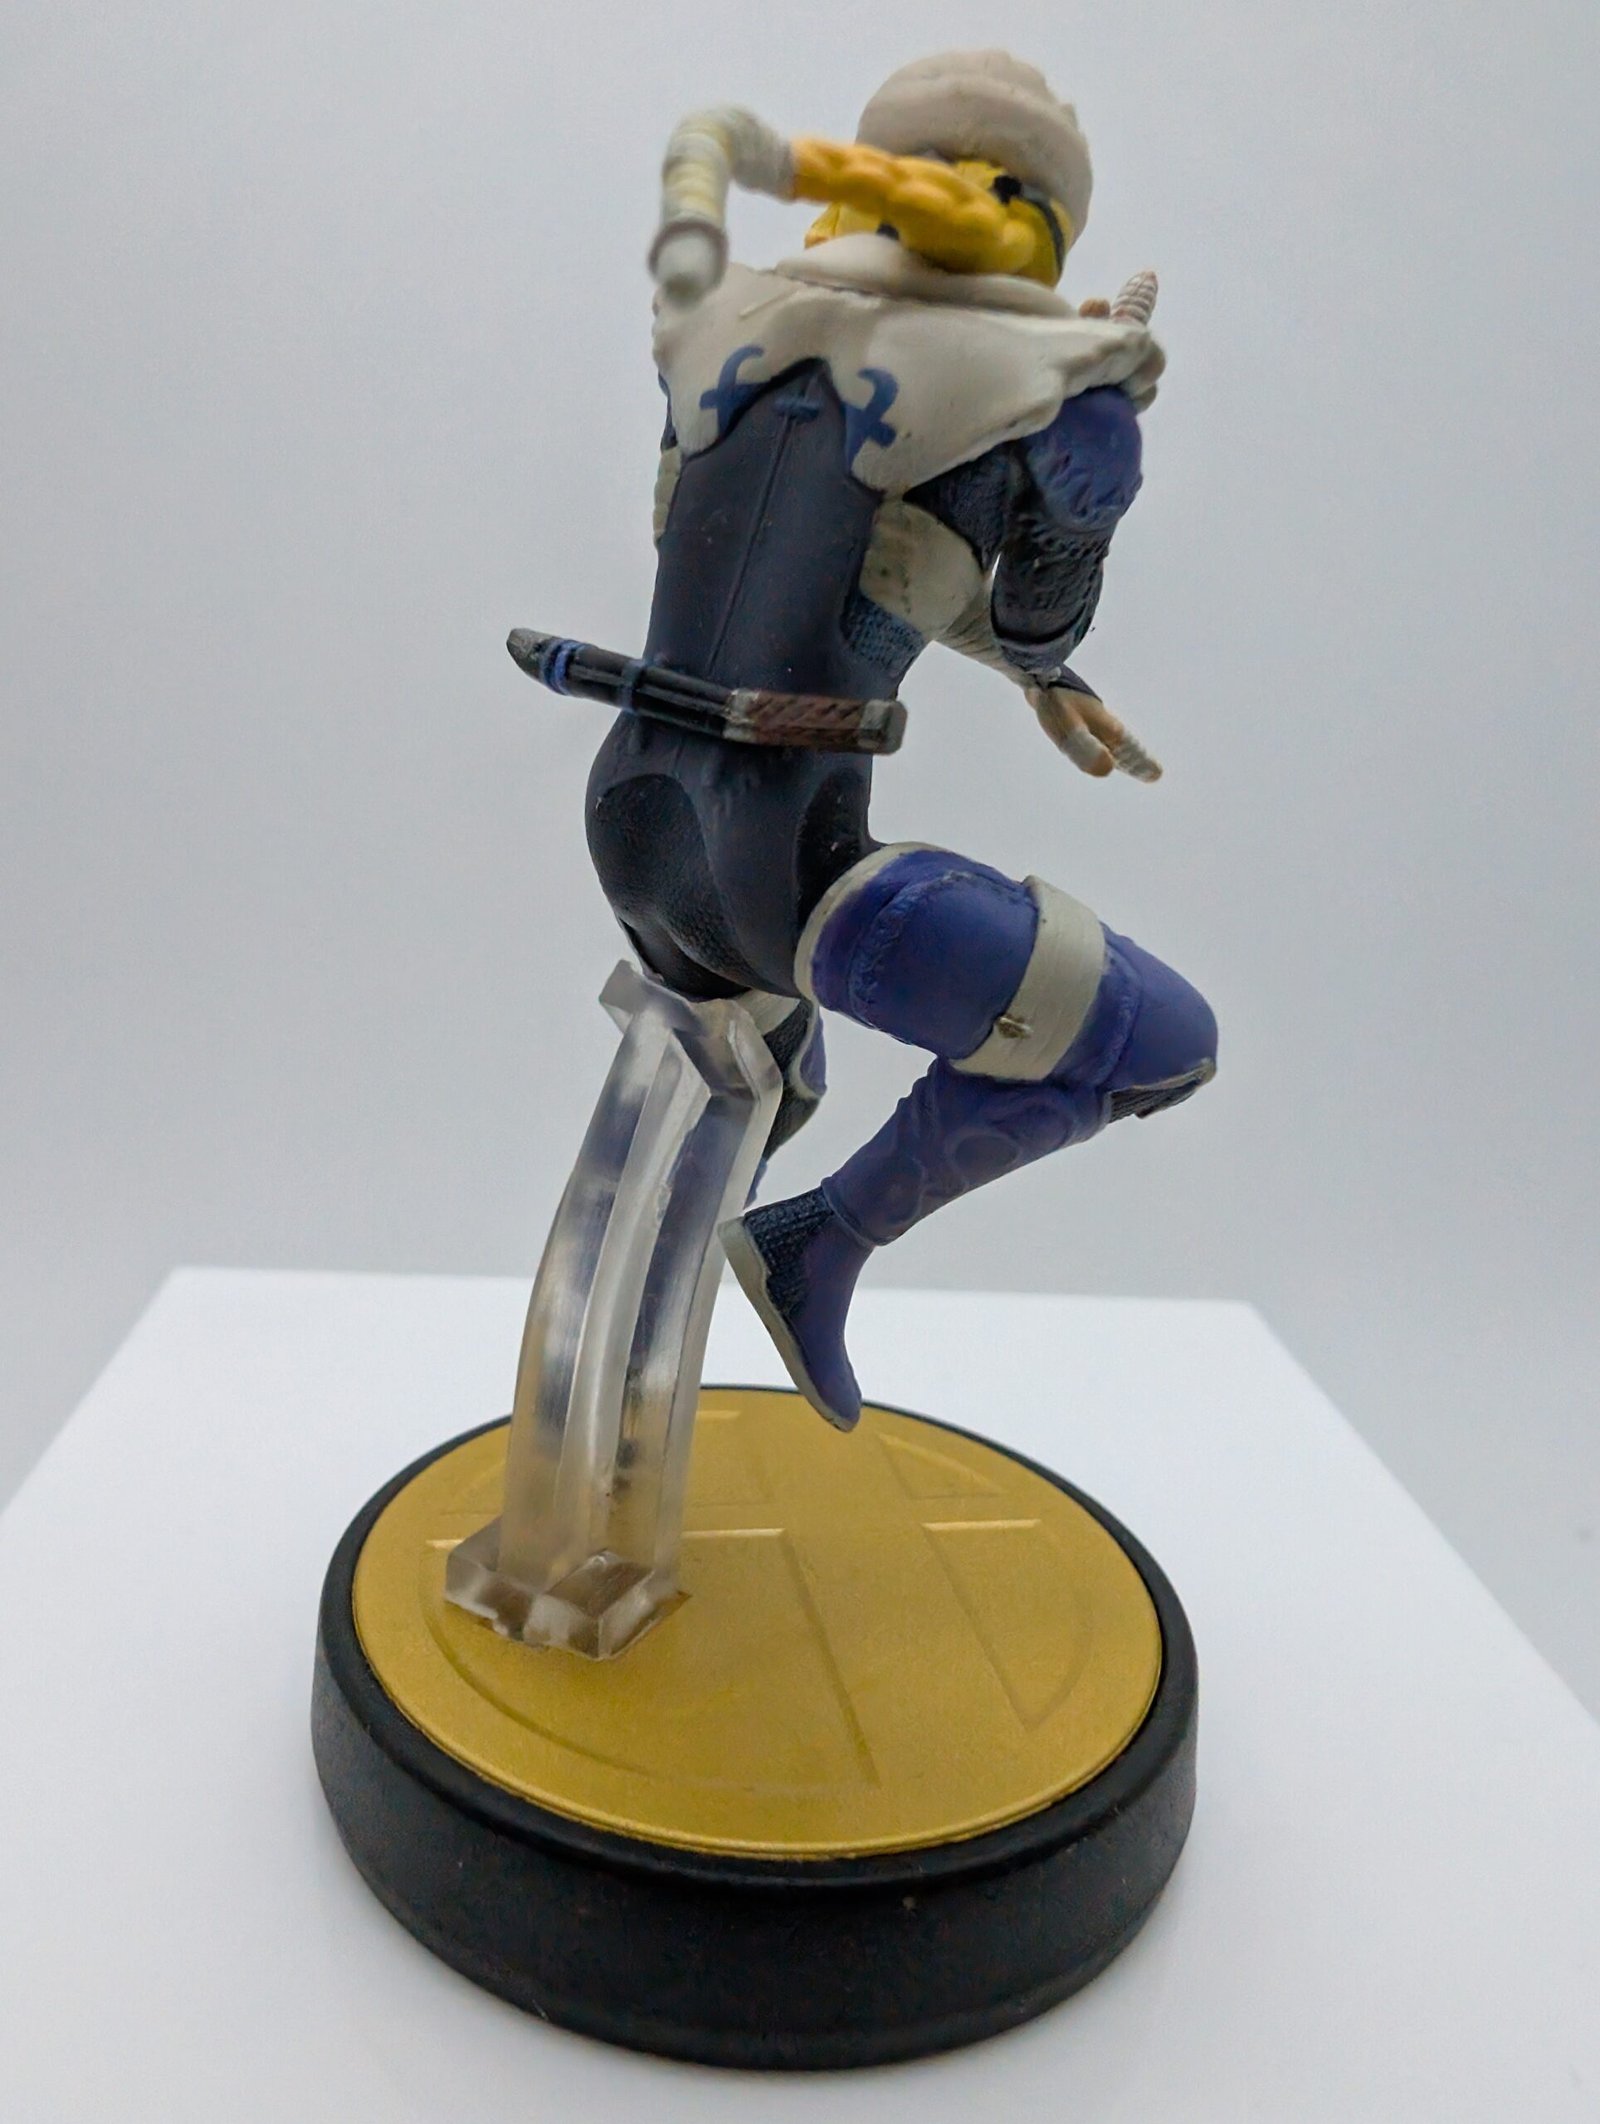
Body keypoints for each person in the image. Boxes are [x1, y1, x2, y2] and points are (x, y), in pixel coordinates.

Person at [585, 50, 1217, 1430]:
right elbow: (1034, 602)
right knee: (1157, 1042)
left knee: (741, 1098)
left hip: (630, 810)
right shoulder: (1055, 382)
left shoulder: (724, 321)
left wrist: (1032, 674)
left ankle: (615, 1393)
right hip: (786, 860)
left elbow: (794, 557)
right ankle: (817, 1246)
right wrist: (1073, 519)